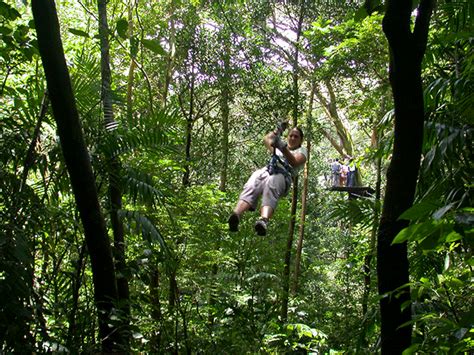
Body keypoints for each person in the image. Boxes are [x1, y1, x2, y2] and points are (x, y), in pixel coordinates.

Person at [228, 125, 307, 236]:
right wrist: (277, 130)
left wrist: (282, 147)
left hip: (283, 175)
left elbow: (294, 161)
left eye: (296, 137)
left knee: (272, 184)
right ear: (287, 137)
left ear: (301, 140)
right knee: (253, 182)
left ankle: (264, 220)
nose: (293, 138)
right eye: (291, 136)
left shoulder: (302, 151)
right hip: (268, 169)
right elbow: (266, 139)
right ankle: (236, 215)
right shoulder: (280, 147)